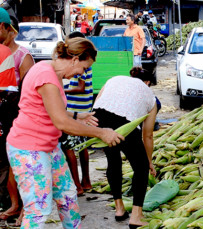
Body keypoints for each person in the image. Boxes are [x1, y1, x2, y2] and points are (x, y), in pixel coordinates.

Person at [6, 37, 124, 228]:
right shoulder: (47, 76)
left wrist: (77, 115)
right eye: (84, 68)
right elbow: (61, 122)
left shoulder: (51, 71)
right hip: (29, 148)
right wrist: (101, 133)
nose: (81, 73)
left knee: (68, 197)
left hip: (49, 147)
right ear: (75, 59)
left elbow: (49, 108)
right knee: (38, 210)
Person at [93, 67, 157, 228]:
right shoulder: (151, 97)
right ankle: (136, 216)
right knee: (140, 168)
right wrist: (148, 161)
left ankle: (119, 209)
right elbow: (147, 135)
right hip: (124, 122)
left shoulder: (114, 79)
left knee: (113, 161)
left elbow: (97, 103)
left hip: (99, 118)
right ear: (148, 82)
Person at [0, 15, 35, 226]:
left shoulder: (23, 55)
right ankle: (13, 204)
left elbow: (29, 92)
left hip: (16, 117)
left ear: (4, 27)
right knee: (4, 161)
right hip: (2, 116)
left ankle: (24, 207)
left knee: (17, 163)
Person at [61, 31, 93, 196]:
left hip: (77, 110)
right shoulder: (83, 63)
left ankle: (78, 185)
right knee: (81, 147)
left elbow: (81, 88)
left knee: (69, 148)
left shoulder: (82, 64)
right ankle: (85, 182)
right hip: (81, 109)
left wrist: (63, 89)